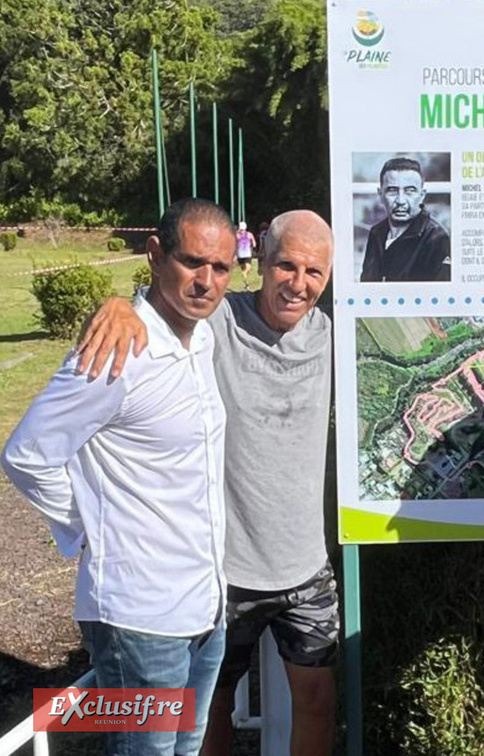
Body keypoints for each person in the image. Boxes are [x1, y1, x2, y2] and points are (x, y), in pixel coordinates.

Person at [76, 210, 338, 756]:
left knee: (316, 701)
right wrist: (120, 304)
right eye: (286, 265)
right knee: (208, 709)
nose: (298, 283)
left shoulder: (334, 335)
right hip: (225, 571)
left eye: (314, 271)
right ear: (260, 261)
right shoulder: (218, 324)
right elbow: (166, 303)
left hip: (306, 566)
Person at [2, 198, 236, 755]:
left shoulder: (202, 337)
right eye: (191, 262)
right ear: (155, 256)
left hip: (205, 605)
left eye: (220, 267)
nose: (206, 281)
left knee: (184, 748)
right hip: (140, 616)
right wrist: (90, 526)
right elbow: (27, 454)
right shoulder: (117, 354)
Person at [359, 156, 451, 282]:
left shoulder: (437, 239)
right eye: (392, 191)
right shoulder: (377, 232)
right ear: (380, 195)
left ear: (422, 195)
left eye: (410, 191)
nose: (400, 201)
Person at [235, 220, 257, 290]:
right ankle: (246, 283)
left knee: (243, 270)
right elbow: (254, 244)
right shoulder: (249, 234)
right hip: (247, 253)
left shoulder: (236, 235)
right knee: (247, 269)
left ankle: (245, 283)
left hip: (239, 254)